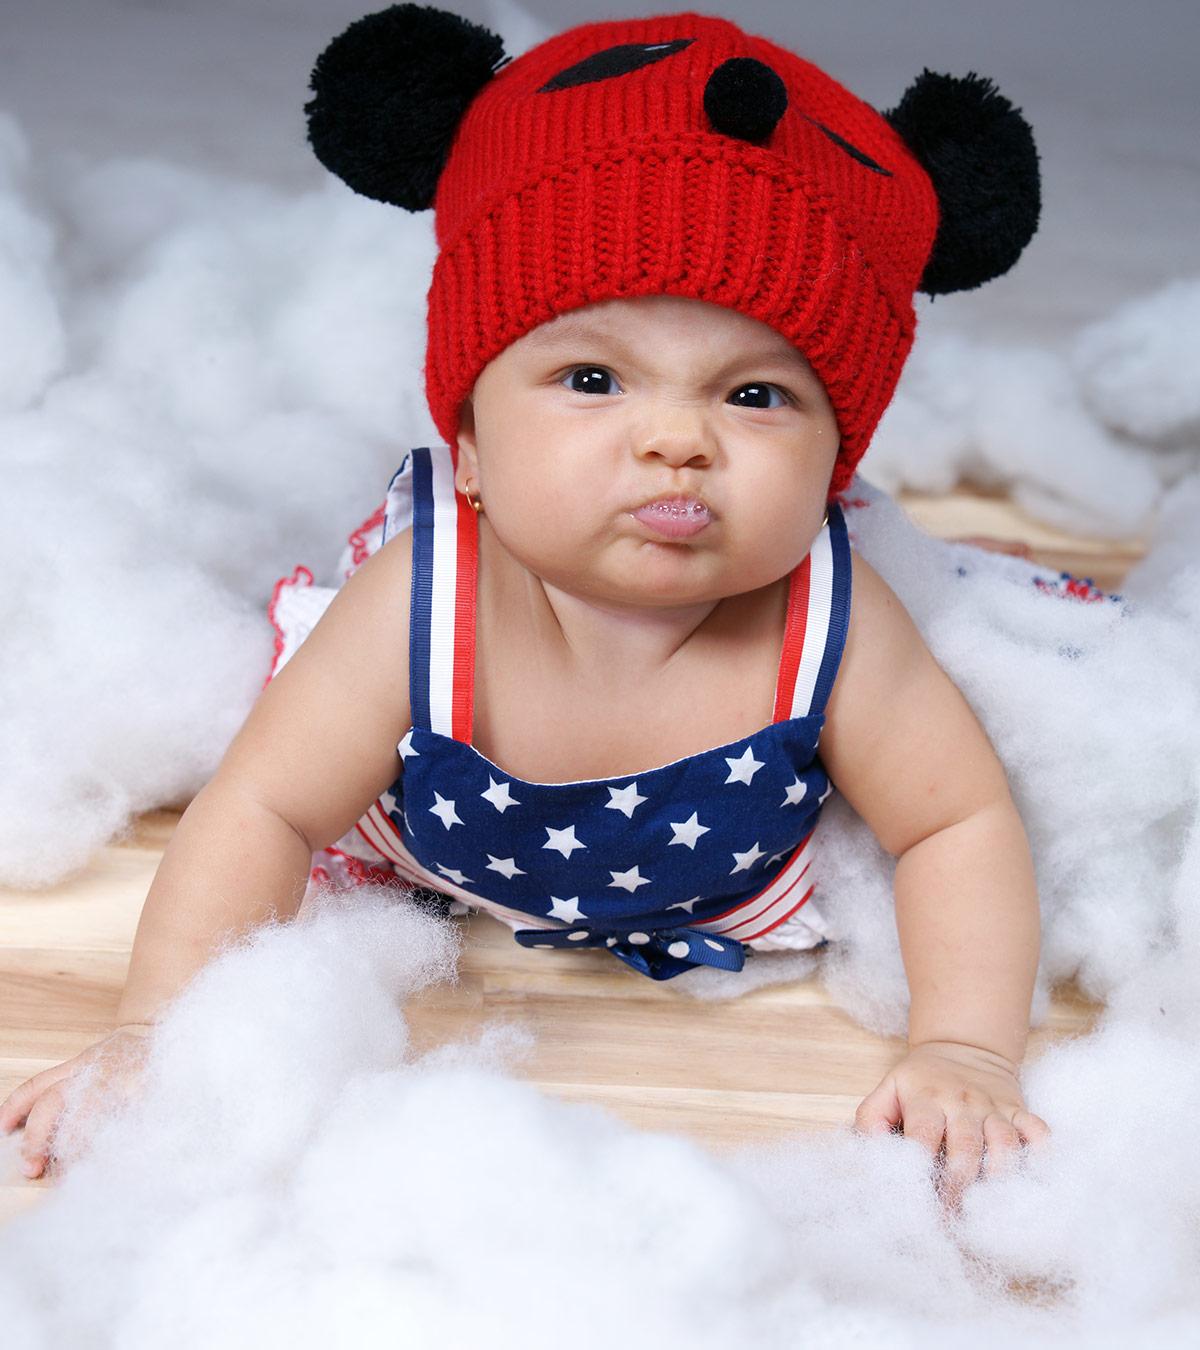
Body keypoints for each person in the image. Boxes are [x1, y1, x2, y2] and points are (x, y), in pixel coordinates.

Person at [2, 5, 1050, 1204]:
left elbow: (956, 825)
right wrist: (160, 1030)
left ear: (834, 464)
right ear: (470, 447)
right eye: (593, 379)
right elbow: (266, 809)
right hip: (431, 849)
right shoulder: (421, 598)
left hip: (721, 892)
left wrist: (966, 1048)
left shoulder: (835, 628)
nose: (676, 439)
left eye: (756, 396)